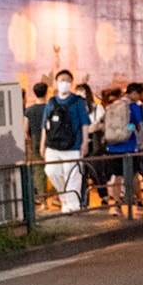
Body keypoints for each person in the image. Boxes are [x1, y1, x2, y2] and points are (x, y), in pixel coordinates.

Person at [39, 70, 90, 214]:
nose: (64, 83)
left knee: (72, 174)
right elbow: (45, 125)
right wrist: (42, 144)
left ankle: (73, 205)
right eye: (61, 80)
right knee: (52, 171)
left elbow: (84, 123)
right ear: (56, 82)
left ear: (71, 83)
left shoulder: (78, 101)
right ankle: (65, 199)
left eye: (67, 80)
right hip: (53, 146)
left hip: (73, 146)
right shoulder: (51, 102)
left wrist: (84, 142)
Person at [104, 86, 143, 215]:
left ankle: (117, 205)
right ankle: (139, 202)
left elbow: (106, 123)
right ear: (132, 93)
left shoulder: (112, 106)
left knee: (116, 176)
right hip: (129, 146)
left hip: (113, 146)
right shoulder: (134, 107)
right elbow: (139, 126)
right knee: (133, 175)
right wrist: (127, 128)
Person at [76, 82, 109, 208]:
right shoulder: (75, 109)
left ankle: (104, 197)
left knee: (97, 172)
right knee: (81, 173)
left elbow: (106, 125)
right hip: (81, 144)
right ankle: (84, 202)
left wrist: (98, 126)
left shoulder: (97, 108)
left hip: (94, 145)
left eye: (83, 94)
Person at [23, 80, 49, 207]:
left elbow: (25, 130)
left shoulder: (29, 111)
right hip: (51, 142)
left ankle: (43, 201)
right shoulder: (51, 107)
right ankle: (57, 198)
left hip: (35, 142)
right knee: (56, 167)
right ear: (47, 92)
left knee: (39, 172)